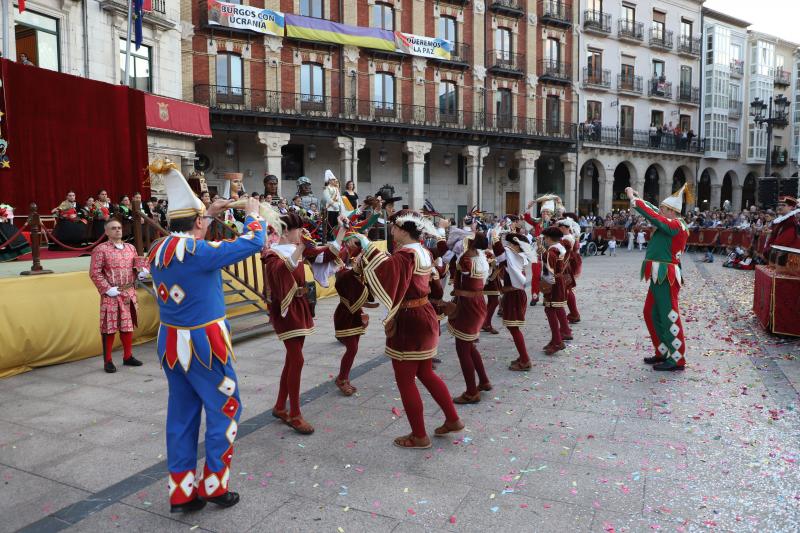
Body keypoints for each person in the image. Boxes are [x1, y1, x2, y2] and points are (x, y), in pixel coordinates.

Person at [147, 160, 267, 512]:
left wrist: (210, 214)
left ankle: (182, 491)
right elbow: (254, 241)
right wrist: (254, 213)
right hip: (204, 346)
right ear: (197, 223)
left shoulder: (158, 250)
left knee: (181, 415)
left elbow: (189, 245)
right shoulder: (201, 253)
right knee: (225, 409)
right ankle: (215, 485)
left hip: (171, 343)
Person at [360, 210, 464, 449]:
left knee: (405, 379)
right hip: (425, 313)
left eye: (394, 227)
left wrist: (366, 247)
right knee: (426, 372)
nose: (392, 230)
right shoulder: (423, 251)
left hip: (410, 319)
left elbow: (386, 272)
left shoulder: (406, 254)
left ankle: (419, 435)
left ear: (404, 230)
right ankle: (452, 418)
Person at [263, 213, 343, 434]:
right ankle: (295, 414)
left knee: (292, 359)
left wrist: (342, 230)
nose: (301, 233)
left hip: (300, 305)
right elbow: (280, 273)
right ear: (285, 231)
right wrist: (300, 248)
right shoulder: (271, 254)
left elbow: (326, 254)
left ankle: (280, 406)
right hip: (285, 310)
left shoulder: (298, 249)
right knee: (297, 359)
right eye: (297, 229)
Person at [626, 184, 690, 371]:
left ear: (672, 211)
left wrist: (633, 199)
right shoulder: (670, 221)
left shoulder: (676, 225)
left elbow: (653, 215)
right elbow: (654, 211)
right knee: (651, 313)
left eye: (664, 208)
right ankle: (663, 351)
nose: (660, 210)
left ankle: (677, 359)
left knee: (669, 315)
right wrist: (640, 198)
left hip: (666, 276)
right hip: (659, 275)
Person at [89, 218, 148, 373]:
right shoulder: (100, 249)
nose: (117, 230)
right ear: (107, 232)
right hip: (112, 293)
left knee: (127, 325)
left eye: (119, 227)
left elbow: (136, 267)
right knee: (109, 327)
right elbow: (95, 273)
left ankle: (127, 356)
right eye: (113, 228)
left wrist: (140, 274)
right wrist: (107, 289)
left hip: (128, 292)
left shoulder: (130, 248)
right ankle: (108, 360)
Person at [447, 232, 493, 403]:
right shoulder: (482, 255)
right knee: (470, 346)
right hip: (479, 301)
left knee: (463, 349)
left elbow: (448, 257)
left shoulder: (465, 260)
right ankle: (484, 381)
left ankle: (471, 392)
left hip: (468, 305)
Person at [333, 232, 373, 396]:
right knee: (352, 348)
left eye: (359, 244)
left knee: (353, 348)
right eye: (355, 243)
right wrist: (356, 269)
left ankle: (344, 377)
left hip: (356, 311)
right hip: (345, 313)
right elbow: (342, 281)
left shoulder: (359, 261)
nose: (357, 247)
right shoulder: (341, 262)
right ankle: (342, 379)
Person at [495, 226, 537, 371]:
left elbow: (499, 252)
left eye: (510, 244)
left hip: (514, 296)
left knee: (514, 328)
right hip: (515, 295)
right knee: (514, 327)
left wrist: (494, 236)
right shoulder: (518, 257)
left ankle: (525, 360)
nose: (508, 246)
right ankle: (522, 356)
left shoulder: (512, 257)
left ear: (516, 246)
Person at [540, 227, 571, 355]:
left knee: (550, 310)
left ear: (548, 238)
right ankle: (555, 339)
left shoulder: (550, 252)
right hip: (560, 281)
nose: (544, 240)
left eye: (544, 238)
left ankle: (557, 341)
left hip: (553, 283)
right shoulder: (560, 247)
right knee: (555, 309)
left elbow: (548, 272)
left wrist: (545, 288)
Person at [322, 170, 347, 241]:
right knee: (329, 224)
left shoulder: (336, 189)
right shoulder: (327, 188)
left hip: (336, 209)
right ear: (329, 181)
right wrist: (334, 205)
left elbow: (339, 199)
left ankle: (334, 236)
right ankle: (329, 238)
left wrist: (340, 207)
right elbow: (327, 198)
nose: (334, 181)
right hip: (330, 208)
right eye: (333, 180)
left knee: (335, 224)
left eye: (334, 180)